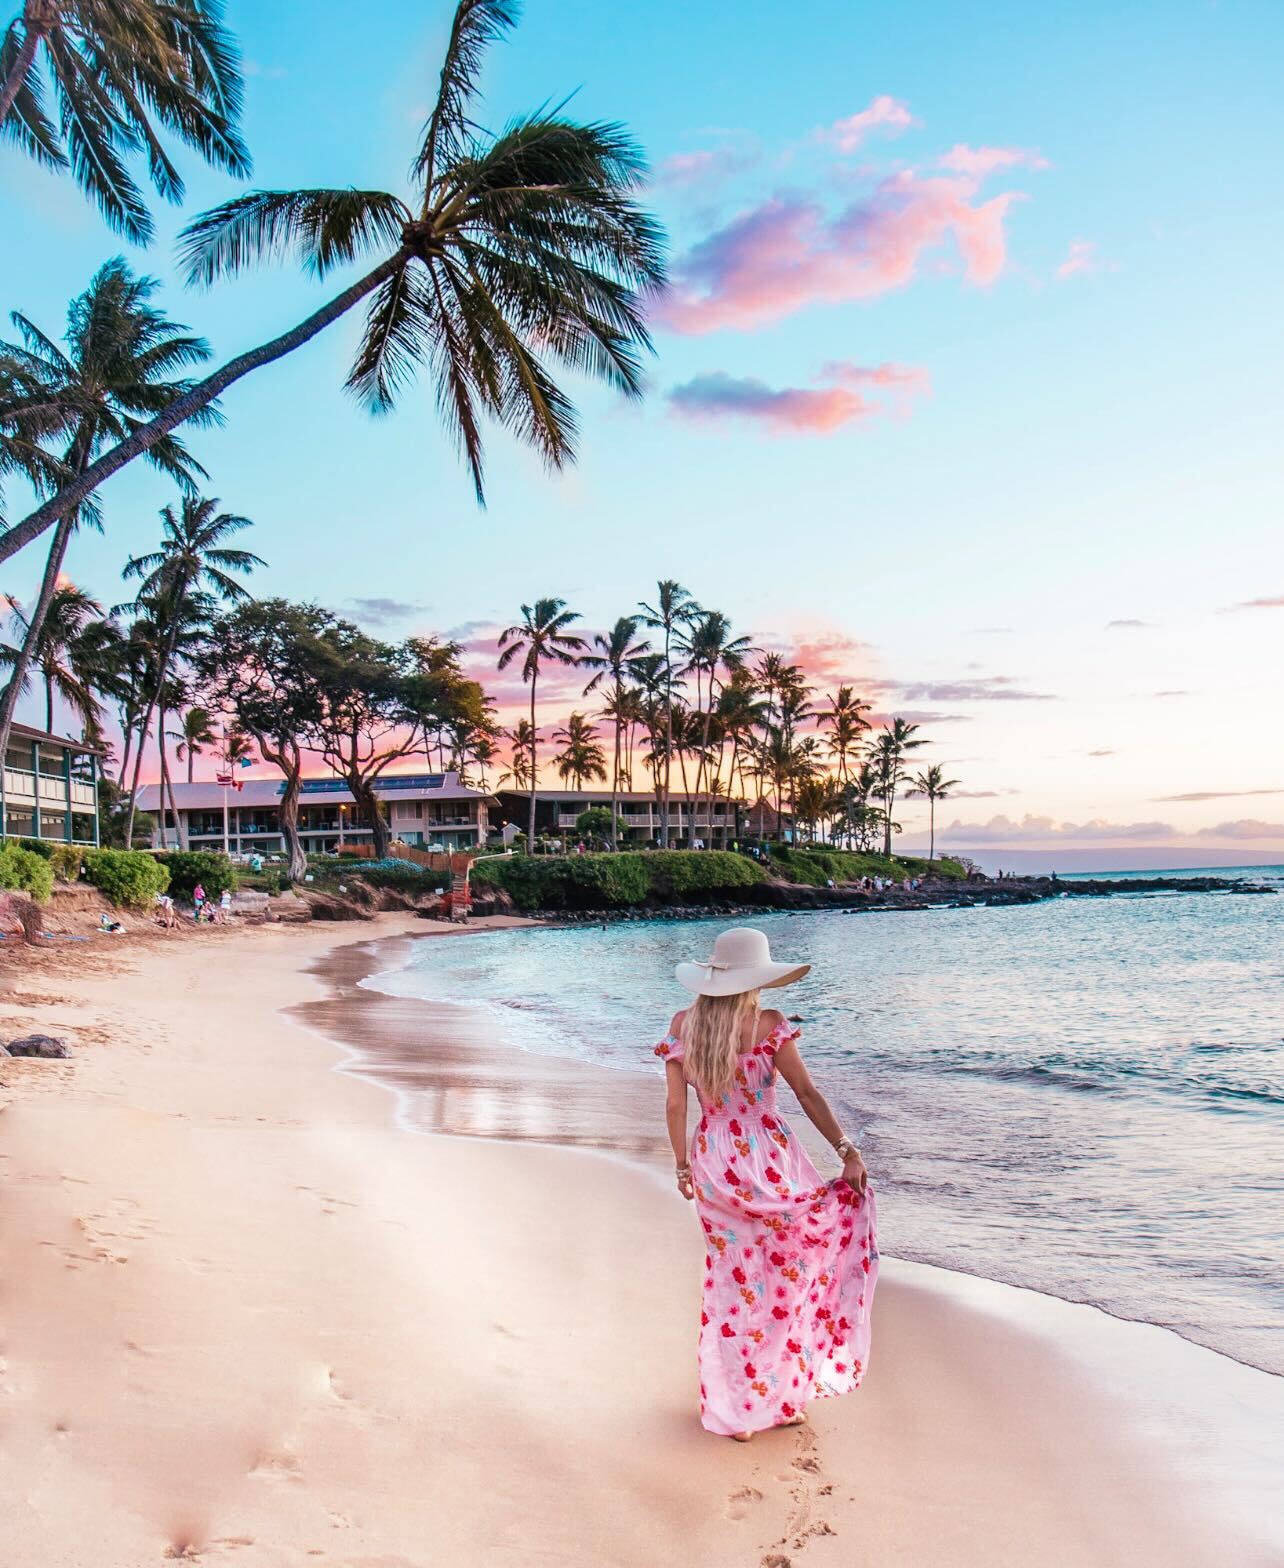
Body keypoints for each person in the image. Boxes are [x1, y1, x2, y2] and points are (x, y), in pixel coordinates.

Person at [656, 927, 878, 1441]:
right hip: (769, 1158)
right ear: (757, 978)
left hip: (713, 1161)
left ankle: (739, 1410)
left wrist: (682, 1166)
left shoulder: (683, 1025)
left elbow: (675, 1105)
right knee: (787, 1275)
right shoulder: (770, 1025)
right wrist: (847, 1149)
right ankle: (774, 1398)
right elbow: (806, 1092)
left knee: (733, 1282)